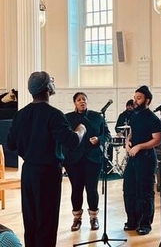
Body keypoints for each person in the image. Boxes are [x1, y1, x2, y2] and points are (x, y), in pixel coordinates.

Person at [7, 71, 86, 247]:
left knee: (31, 220)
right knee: (47, 222)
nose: (53, 82)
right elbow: (72, 142)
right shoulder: (54, 114)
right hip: (48, 173)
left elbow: (11, 144)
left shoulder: (21, 114)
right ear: (47, 88)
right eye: (51, 80)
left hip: (28, 172)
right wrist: (81, 129)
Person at [63, 92, 111, 231]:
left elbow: (106, 134)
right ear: (75, 103)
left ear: (87, 101)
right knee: (76, 189)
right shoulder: (68, 118)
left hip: (93, 159)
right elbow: (65, 138)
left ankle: (93, 217)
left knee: (92, 189)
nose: (82, 101)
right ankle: (77, 218)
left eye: (84, 99)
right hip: (73, 160)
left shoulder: (97, 117)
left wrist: (99, 140)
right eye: (78, 100)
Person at [122, 85, 161, 235]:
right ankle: (132, 220)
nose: (135, 100)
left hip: (146, 158)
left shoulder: (153, 118)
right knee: (129, 188)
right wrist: (128, 142)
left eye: (139, 98)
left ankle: (145, 224)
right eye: (135, 97)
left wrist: (139, 146)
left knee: (145, 192)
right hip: (133, 158)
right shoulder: (134, 115)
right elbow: (131, 133)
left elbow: (157, 140)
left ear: (147, 100)